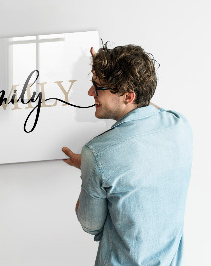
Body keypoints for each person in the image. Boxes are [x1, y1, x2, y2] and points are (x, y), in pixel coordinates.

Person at [62, 44, 192, 265]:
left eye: (98, 86)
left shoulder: (97, 153)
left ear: (128, 96)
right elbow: (146, 106)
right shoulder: (180, 125)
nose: (90, 92)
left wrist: (90, 169)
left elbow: (90, 224)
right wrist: (109, 72)